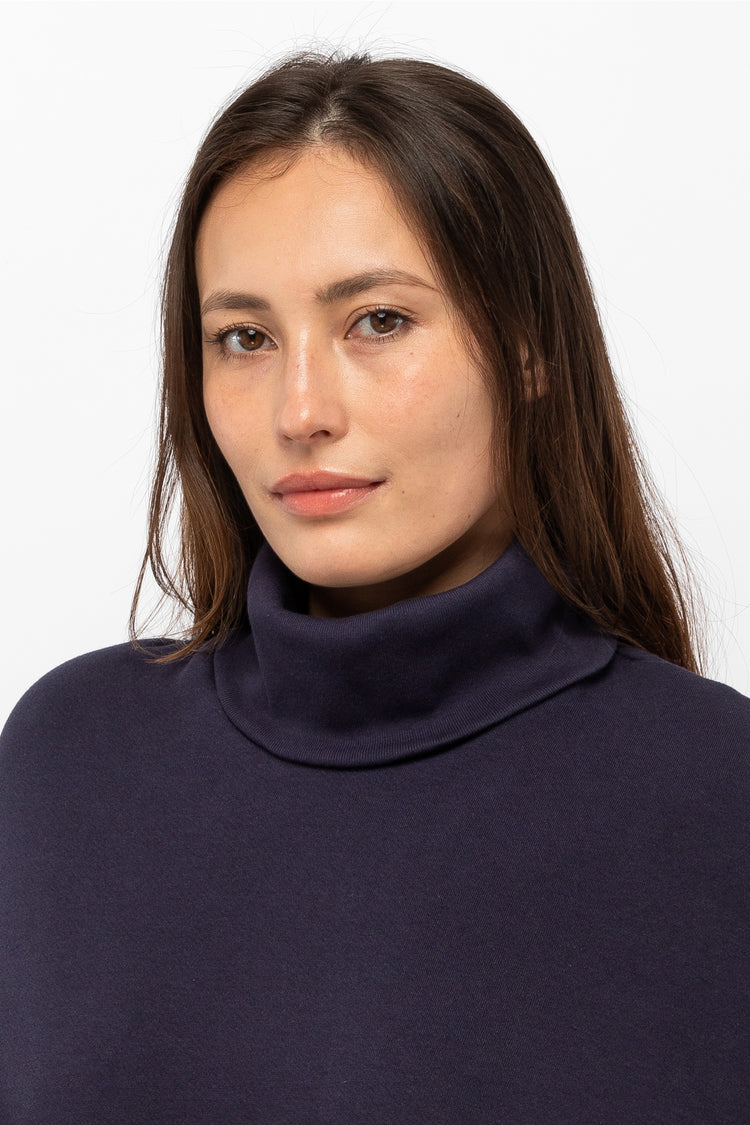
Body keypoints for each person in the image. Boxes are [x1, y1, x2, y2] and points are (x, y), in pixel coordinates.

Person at [1, 50, 748, 1124]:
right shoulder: (67, 763)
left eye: (378, 321)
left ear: (530, 349)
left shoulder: (716, 796)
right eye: (244, 338)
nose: (300, 410)